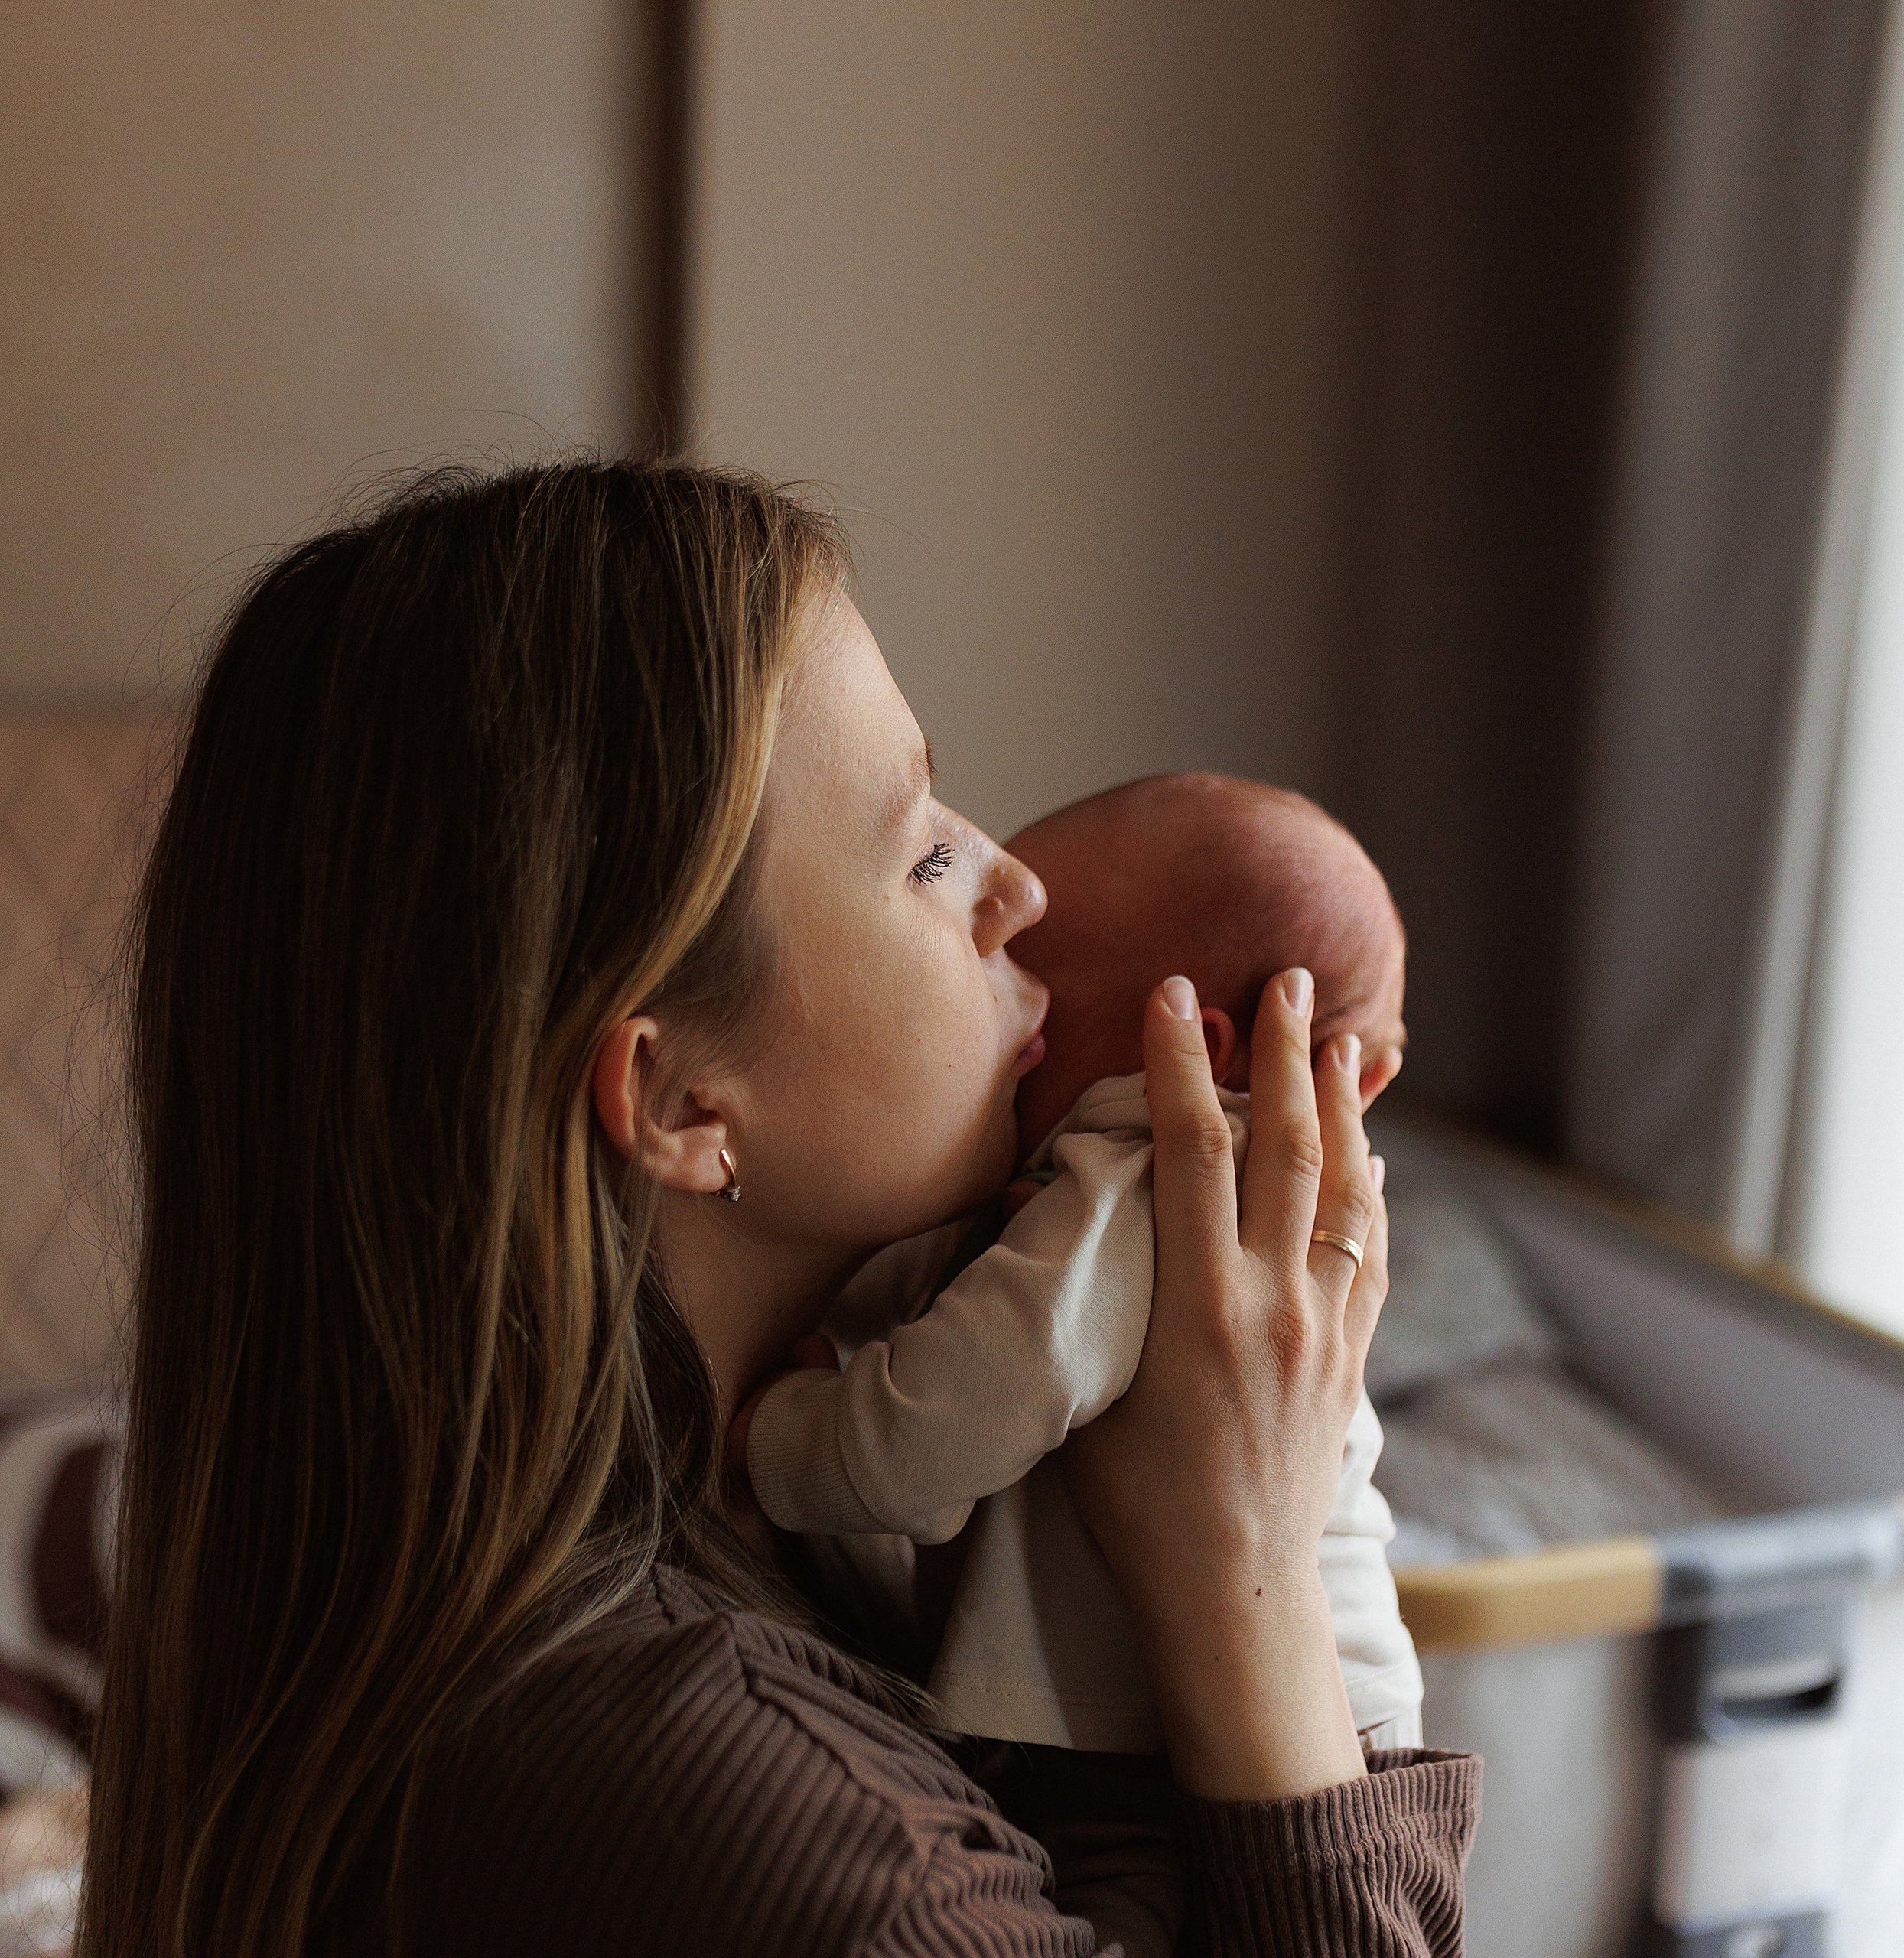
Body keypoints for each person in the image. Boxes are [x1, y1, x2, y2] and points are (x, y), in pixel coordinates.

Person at [78, 460, 1479, 1958]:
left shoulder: (551, 1562)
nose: (1018, 886)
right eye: (922, 848)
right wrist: (1245, 1572)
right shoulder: (783, 1836)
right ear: (681, 1100)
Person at [739, 774, 1424, 1760]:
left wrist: (787, 1433)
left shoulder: (1149, 1196)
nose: (999, 995)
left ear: (1186, 1049)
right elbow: (958, 1278)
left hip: (1238, 1751)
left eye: (1031, 976)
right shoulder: (1078, 1192)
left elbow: (930, 1441)